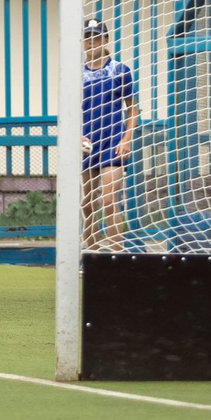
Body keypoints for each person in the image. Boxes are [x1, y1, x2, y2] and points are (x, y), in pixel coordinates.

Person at [80, 18, 137, 250]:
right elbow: (70, 111)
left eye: (96, 37)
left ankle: (116, 257)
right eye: (88, 37)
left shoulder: (120, 70)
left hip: (113, 142)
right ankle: (92, 256)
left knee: (110, 200)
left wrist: (126, 139)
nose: (92, 42)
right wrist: (78, 136)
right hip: (87, 144)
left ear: (105, 40)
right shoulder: (77, 74)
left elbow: (133, 109)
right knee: (88, 204)